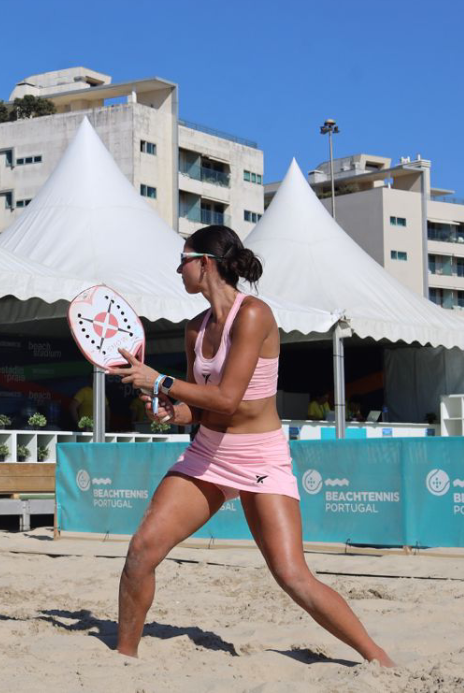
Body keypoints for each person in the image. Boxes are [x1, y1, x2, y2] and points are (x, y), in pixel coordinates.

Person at [110, 225, 394, 665]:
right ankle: (122, 658)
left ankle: (378, 659)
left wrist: (162, 381)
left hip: (260, 455)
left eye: (182, 259)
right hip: (208, 452)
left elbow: (229, 398)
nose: (177, 269)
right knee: (142, 549)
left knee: (291, 574)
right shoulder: (193, 329)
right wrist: (170, 411)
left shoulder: (254, 314)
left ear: (205, 262)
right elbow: (202, 410)